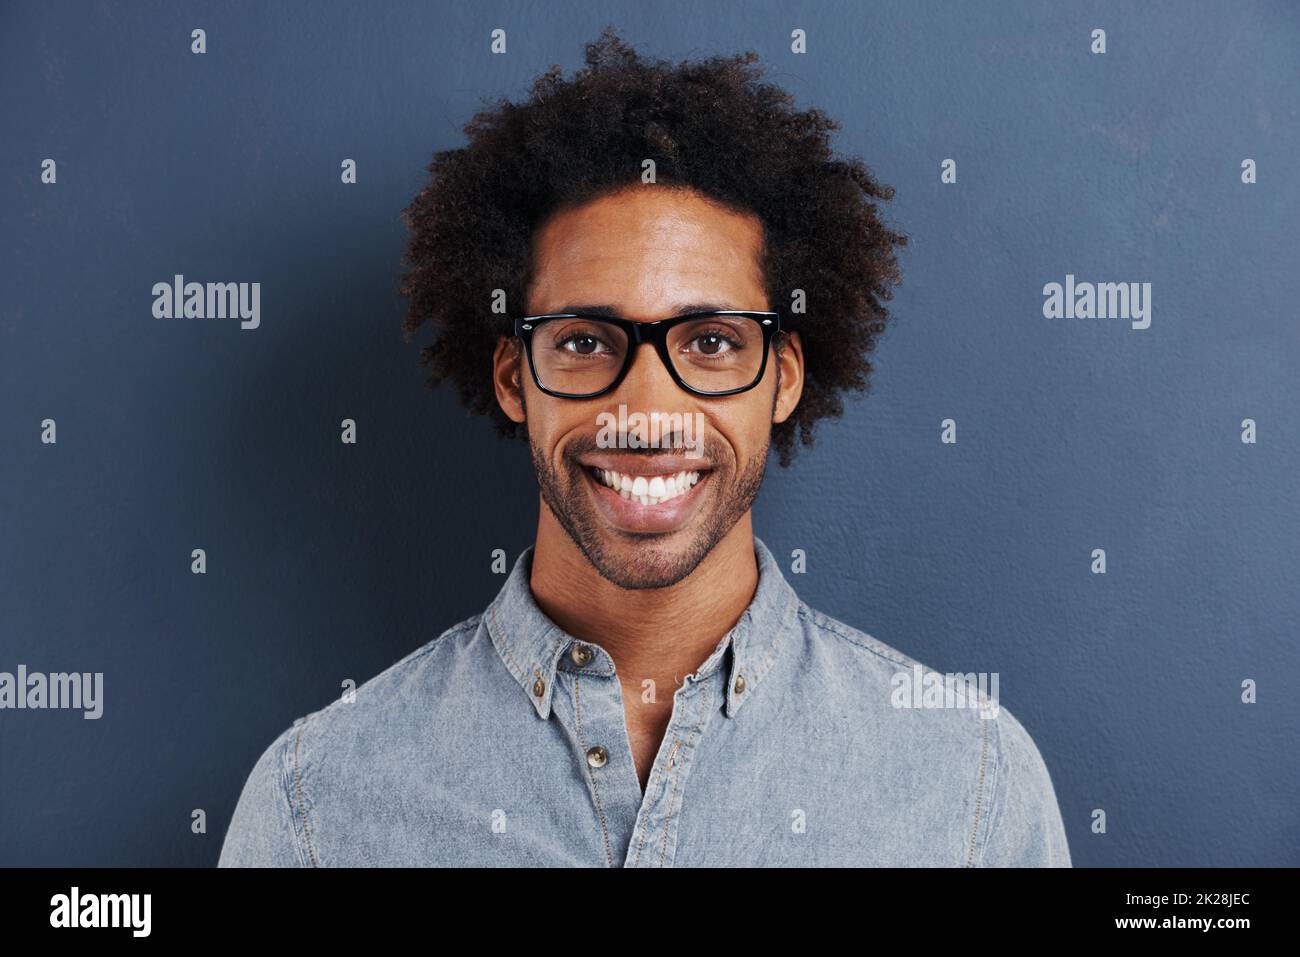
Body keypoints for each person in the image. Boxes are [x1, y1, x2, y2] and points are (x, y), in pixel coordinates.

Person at [219, 26, 1070, 867]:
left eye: (710, 342)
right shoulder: (316, 808)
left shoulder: (971, 792)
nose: (647, 410)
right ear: (516, 376)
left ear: (783, 376)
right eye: (587, 340)